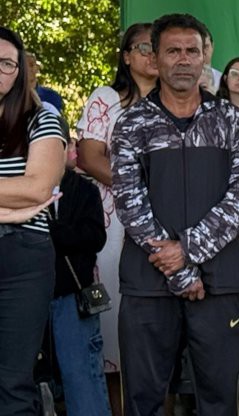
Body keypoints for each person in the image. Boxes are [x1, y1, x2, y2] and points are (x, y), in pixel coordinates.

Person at [110, 13, 239, 415]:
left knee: (217, 400)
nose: (183, 59)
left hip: (220, 282)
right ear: (155, 59)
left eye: (192, 51)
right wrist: (179, 270)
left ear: (204, 57)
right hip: (148, 284)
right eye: (173, 51)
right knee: (144, 400)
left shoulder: (231, 121)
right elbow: (129, 200)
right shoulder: (132, 123)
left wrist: (187, 252)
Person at [75, 22, 157, 392]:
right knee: (112, 319)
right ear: (126, 56)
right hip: (113, 219)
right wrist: (138, 191)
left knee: (156, 331)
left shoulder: (181, 100)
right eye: (143, 47)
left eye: (159, 46)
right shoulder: (106, 98)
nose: (153, 54)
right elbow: (90, 158)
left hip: (166, 220)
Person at [0, 26, 67, 413]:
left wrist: (25, 201)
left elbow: (39, 189)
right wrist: (13, 203)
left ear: (20, 72)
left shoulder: (43, 120)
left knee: (12, 383)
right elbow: (24, 190)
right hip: (22, 230)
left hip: (23, 260)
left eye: (7, 63)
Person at [48, 166, 111, 416]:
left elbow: (96, 238)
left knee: (82, 375)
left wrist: (55, 232)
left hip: (73, 294)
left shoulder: (85, 189)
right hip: (28, 294)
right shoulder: (22, 186)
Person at [26, 50, 65, 117]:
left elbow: (57, 123)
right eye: (24, 65)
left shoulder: (52, 96)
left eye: (31, 65)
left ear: (37, 68)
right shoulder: (10, 95)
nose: (28, 68)